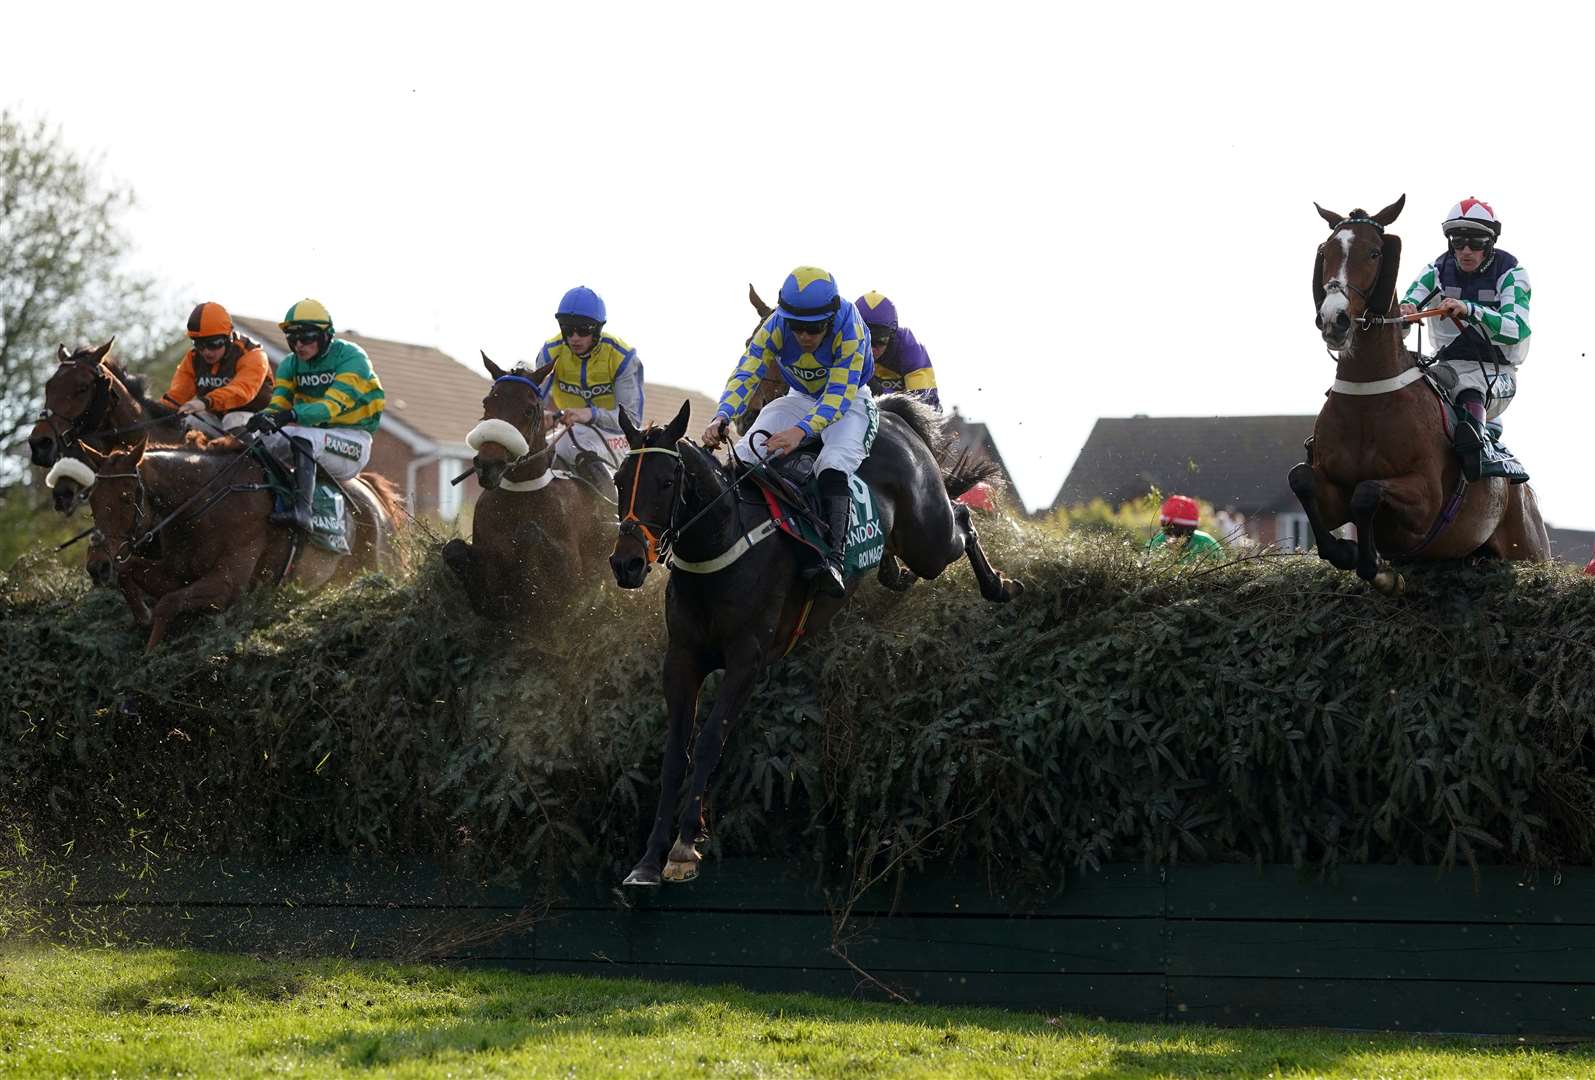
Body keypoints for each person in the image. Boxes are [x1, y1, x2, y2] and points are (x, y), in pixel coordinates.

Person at [703, 267, 873, 598]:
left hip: (851, 403)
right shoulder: (775, 324)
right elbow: (747, 372)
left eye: (814, 329)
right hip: (799, 398)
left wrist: (800, 431)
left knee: (832, 464)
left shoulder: (850, 326)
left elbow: (837, 397)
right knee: (747, 453)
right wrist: (722, 415)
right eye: (797, 327)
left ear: (831, 316)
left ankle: (834, 561)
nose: (805, 337)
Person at [1398, 197, 1531, 483]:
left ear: (1491, 242)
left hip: (1497, 374)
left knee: (1468, 387)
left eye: (1476, 242)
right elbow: (1409, 305)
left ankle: (1478, 458)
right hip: (1445, 367)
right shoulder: (1437, 269)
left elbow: (1516, 328)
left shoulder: (1512, 273)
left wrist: (1470, 309)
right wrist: (1405, 311)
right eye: (1458, 242)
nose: (1466, 251)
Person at [244, 299, 385, 533]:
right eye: (292, 338)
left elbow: (331, 407)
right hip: (312, 433)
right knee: (256, 440)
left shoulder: (352, 357)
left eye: (306, 338)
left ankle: (303, 512)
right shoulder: (290, 364)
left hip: (353, 442)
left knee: (303, 439)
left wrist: (288, 415)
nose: (299, 345)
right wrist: (263, 417)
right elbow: (278, 405)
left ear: (325, 335)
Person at [530, 286, 642, 500]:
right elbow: (536, 402)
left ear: (598, 329)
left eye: (583, 330)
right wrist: (540, 418)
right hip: (568, 432)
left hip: (617, 436)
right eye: (567, 330)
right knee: (538, 452)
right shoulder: (550, 352)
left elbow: (632, 421)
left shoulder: (622, 357)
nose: (574, 338)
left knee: (574, 442)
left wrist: (590, 414)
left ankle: (612, 515)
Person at [158, 302, 272, 434]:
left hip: (261, 421)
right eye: (199, 344)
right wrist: (152, 411)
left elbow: (242, 390)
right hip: (218, 419)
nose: (206, 351)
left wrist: (206, 401)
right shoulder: (193, 358)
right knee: (187, 421)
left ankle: (250, 455)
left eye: (213, 343)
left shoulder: (253, 354)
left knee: (232, 419)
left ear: (228, 337)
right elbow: (175, 397)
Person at [855, 291, 940, 411]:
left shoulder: (910, 347)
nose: (871, 349)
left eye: (880, 340)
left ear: (892, 335)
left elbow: (926, 407)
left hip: (904, 414)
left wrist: (880, 392)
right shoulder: (840, 342)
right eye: (864, 339)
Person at [1145, 495, 1223, 562]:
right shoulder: (1154, 544)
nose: (1174, 537)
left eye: (1181, 532)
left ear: (1193, 529)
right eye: (1169, 530)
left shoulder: (1207, 544)